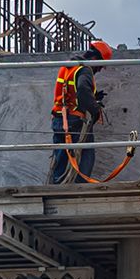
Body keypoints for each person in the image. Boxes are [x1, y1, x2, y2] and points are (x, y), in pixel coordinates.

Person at [49, 40, 112, 184]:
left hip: (59, 119)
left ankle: (57, 187)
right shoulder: (85, 69)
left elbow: (71, 91)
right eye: (100, 66)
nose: (99, 70)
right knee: (86, 153)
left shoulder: (68, 67)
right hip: (73, 121)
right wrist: (95, 110)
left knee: (61, 156)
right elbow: (82, 89)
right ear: (95, 59)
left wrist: (93, 96)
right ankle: (80, 188)